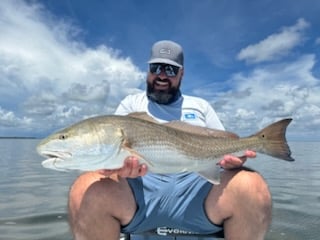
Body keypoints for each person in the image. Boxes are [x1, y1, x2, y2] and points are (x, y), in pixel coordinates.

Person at [68, 40, 272, 240]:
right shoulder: (130, 104)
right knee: (85, 185)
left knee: (251, 185)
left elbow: (225, 149)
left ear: (182, 74)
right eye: (156, 67)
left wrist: (234, 162)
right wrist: (113, 169)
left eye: (171, 70)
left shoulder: (200, 106)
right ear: (148, 70)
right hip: (141, 190)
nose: (162, 75)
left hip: (196, 186)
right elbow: (109, 158)